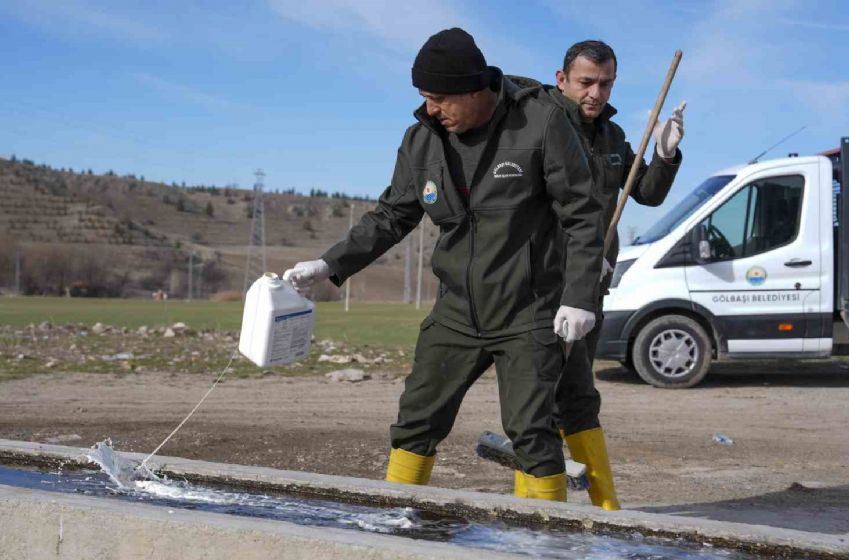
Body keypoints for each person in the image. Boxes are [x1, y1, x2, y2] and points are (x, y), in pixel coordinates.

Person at [284, 28, 604, 501]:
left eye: (440, 98)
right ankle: (399, 519)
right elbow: (393, 215)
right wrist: (329, 264)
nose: (432, 108)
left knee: (532, 433)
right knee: (417, 418)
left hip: (528, 310)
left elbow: (583, 214)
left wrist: (579, 296)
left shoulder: (541, 123)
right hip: (456, 310)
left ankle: (546, 548)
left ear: (477, 90)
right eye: (425, 97)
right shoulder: (422, 141)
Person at [528, 40, 685, 509]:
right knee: (536, 392)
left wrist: (665, 153)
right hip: (544, 282)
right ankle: (532, 506)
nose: (596, 92)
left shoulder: (613, 139)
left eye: (606, 82)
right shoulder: (538, 127)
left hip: (592, 285)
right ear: (562, 80)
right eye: (586, 82)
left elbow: (648, 194)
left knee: (577, 390)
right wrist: (573, 252)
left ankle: (603, 508)